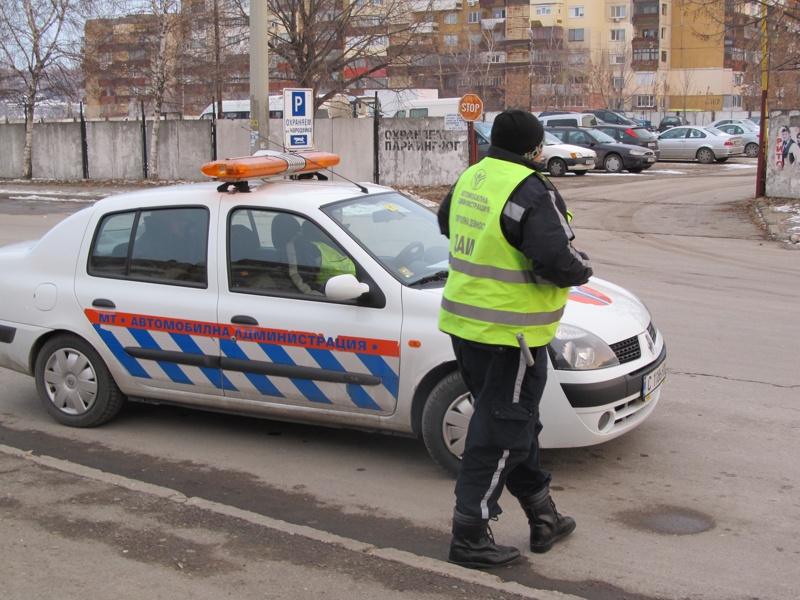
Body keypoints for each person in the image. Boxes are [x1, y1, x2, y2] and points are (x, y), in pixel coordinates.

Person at [437, 109, 593, 569]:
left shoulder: (474, 175)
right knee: (499, 433)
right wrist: (583, 268)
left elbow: (446, 223)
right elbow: (555, 257)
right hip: (512, 336)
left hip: (467, 329)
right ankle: (469, 534)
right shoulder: (530, 186)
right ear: (536, 148)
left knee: (515, 423)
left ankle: (544, 515)